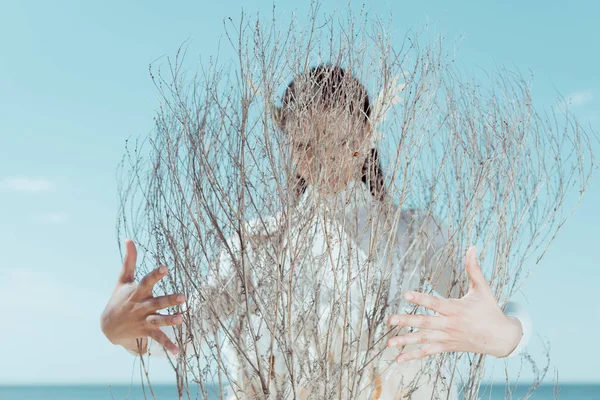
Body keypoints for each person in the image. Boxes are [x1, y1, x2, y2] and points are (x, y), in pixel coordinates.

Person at [101, 65, 531, 399]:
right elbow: (186, 332)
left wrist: (504, 335)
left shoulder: (415, 234)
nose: (323, 158)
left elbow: (500, 310)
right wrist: (122, 329)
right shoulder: (260, 243)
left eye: (338, 141)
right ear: (288, 145)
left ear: (365, 135)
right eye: (306, 145)